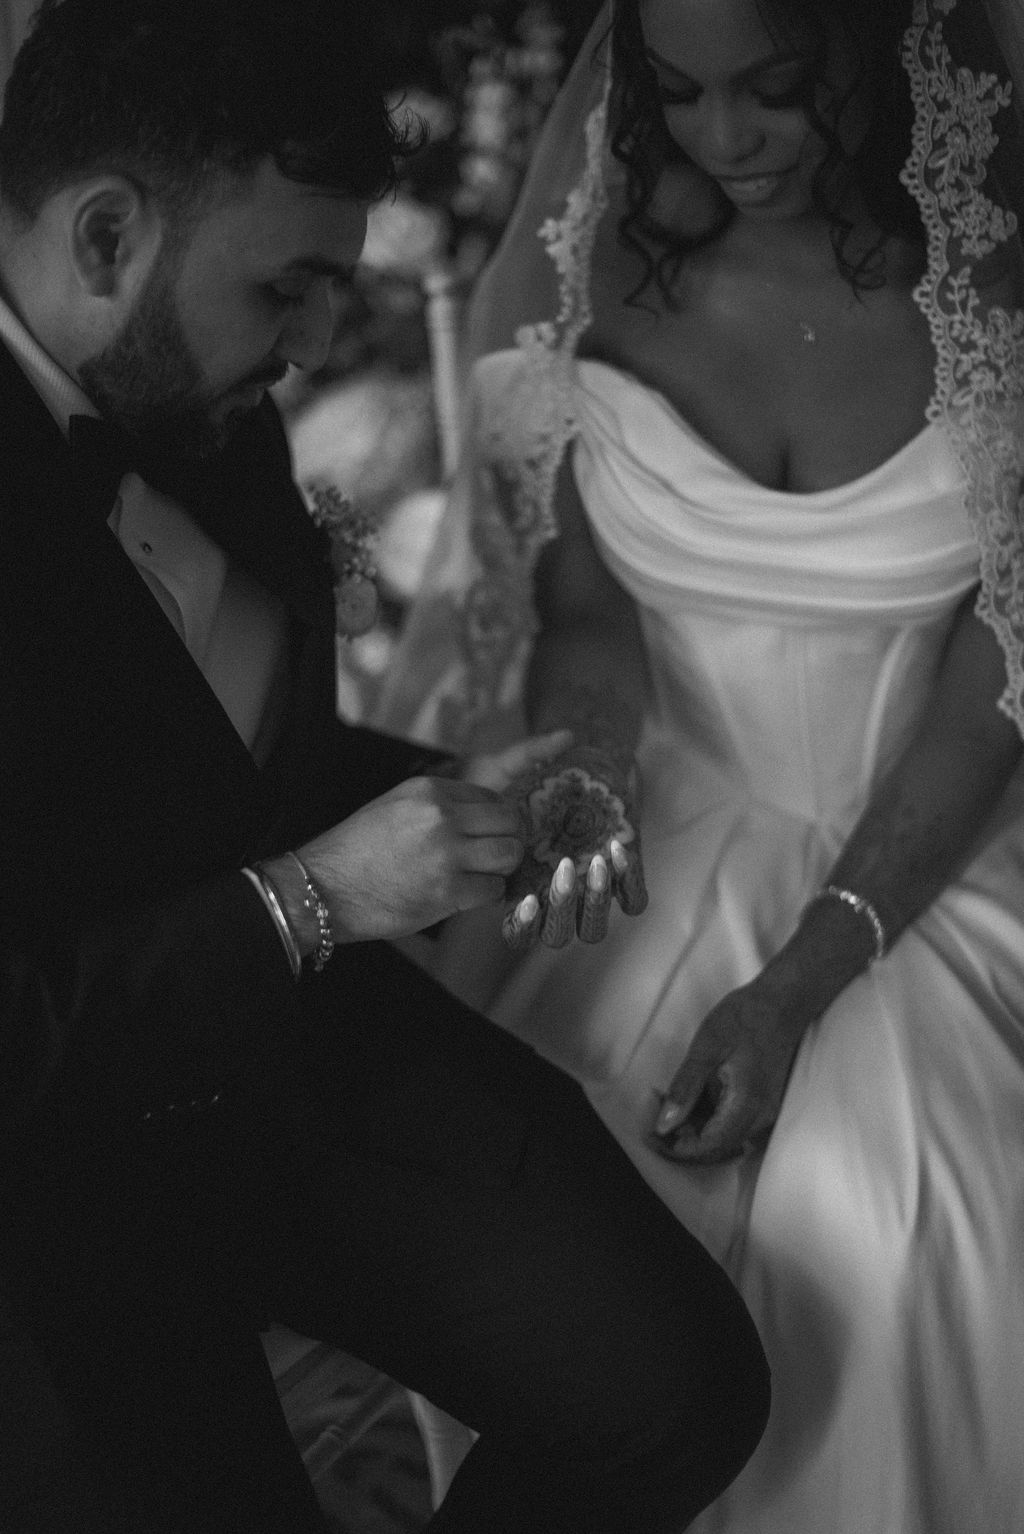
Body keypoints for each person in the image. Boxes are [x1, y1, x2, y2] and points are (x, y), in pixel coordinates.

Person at [0, 2, 774, 1530]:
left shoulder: (200, 397)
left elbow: (221, 749)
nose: (301, 353)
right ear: (104, 238)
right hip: (51, 1180)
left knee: (680, 1386)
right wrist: (308, 902)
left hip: (289, 1052)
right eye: (283, 290)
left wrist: (466, 797)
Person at [375, 0, 1024, 1528]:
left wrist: (799, 981)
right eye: (684, 95)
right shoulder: (598, 261)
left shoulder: (993, 299)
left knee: (891, 1225)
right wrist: (589, 767)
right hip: (661, 810)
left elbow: (997, 685)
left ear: (880, 57)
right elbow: (588, 608)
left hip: (915, 842)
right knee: (576, 1168)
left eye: (779, 92)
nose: (728, 143)